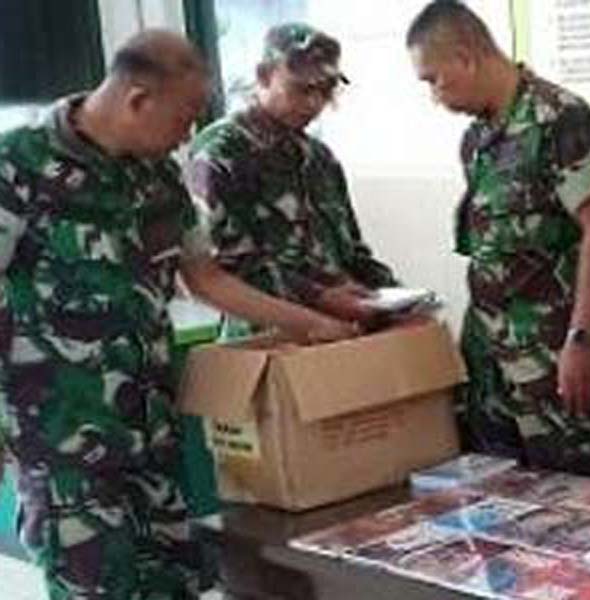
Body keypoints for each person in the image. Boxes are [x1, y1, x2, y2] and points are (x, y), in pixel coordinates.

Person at [0, 30, 353, 599]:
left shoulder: (158, 176)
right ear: (139, 99)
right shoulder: (19, 165)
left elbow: (206, 277)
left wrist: (307, 323)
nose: (190, 132)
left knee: (177, 583)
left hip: (152, 429)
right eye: (185, 115)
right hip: (65, 444)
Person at [406, 1, 590, 479]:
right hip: (490, 362)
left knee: (578, 505)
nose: (433, 96)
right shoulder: (478, 140)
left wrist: (582, 341)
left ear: (465, 57)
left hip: (551, 359)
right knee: (496, 504)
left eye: (433, 79)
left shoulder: (559, 119)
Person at [187, 23, 398, 333]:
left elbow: (351, 252)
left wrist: (393, 297)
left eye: (325, 90)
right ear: (263, 76)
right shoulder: (222, 153)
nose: (314, 103)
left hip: (339, 332)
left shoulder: (319, 159)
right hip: (265, 335)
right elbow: (224, 266)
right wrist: (320, 296)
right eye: (301, 89)